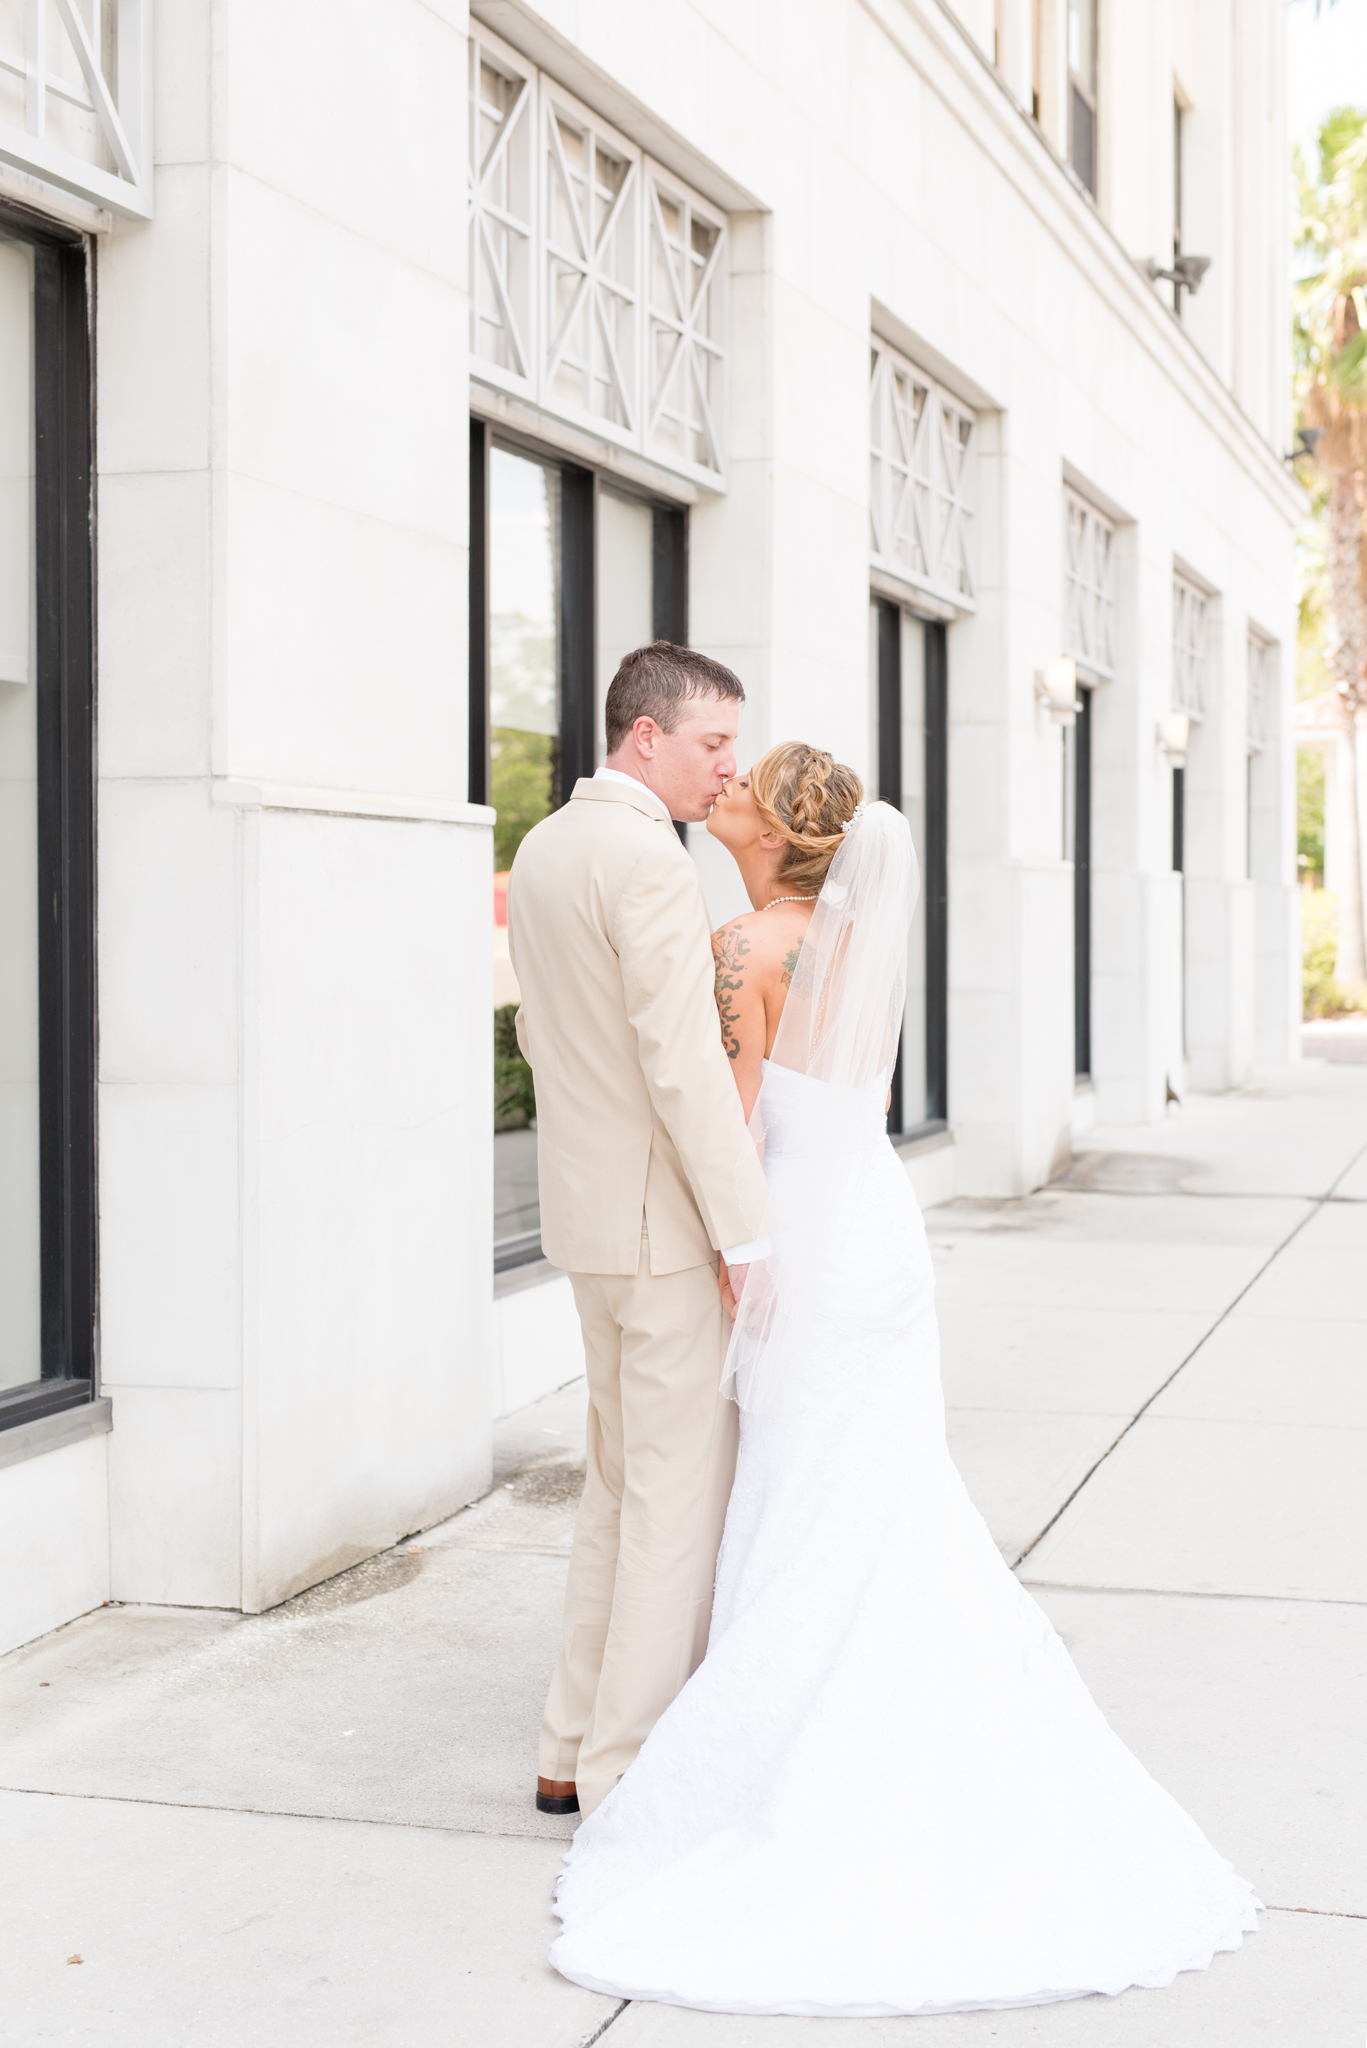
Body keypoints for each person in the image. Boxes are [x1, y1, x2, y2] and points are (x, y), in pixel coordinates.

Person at [547, 742, 1260, 2018]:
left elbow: (727, 1111)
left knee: (798, 1489)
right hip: (873, 1230)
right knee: (877, 1488)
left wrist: (730, 1251)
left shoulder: (739, 947)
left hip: (799, 1240)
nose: (725, 791)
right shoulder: (843, 939)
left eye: (743, 785)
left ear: (771, 829)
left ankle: (794, 1753)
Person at [507, 642, 772, 1823]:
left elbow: (536, 1039)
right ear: (645, 735)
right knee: (672, 1498)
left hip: (584, 1221)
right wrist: (746, 1231)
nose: (730, 767)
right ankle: (626, 1770)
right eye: (713, 742)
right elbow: (681, 1066)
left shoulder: (545, 844)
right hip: (662, 1229)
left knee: (617, 1486)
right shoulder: (650, 862)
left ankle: (568, 1742)